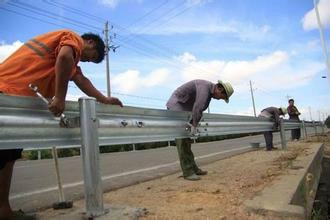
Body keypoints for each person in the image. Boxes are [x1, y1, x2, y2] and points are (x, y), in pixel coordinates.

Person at [0, 30, 123, 220]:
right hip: (6, 93)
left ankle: (4, 211)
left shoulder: (71, 57)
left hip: (16, 100)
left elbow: (80, 79)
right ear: (89, 42)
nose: (87, 60)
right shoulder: (72, 38)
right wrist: (60, 97)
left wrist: (104, 99)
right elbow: (65, 58)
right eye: (92, 57)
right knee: (3, 156)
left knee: (7, 156)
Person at [166, 79, 234, 181]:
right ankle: (188, 172)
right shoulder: (205, 87)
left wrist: (194, 125)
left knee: (187, 141)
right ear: (219, 89)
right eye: (222, 97)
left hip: (184, 111)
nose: (219, 99)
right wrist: (193, 125)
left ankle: (193, 168)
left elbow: (200, 110)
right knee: (182, 141)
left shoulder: (208, 94)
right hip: (176, 108)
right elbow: (198, 107)